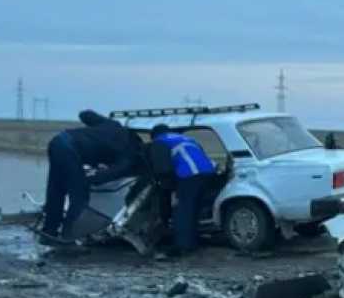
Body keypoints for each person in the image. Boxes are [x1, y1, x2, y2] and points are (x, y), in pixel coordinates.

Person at [40, 110, 141, 244]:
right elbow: (109, 174)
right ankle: (69, 237)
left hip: (58, 141)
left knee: (56, 191)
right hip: (70, 150)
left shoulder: (113, 124)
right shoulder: (128, 155)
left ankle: (48, 232)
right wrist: (88, 180)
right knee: (79, 197)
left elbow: (84, 114)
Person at [150, 124, 216, 257]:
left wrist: (168, 186)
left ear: (154, 136)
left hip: (189, 175)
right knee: (194, 209)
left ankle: (182, 247)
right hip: (209, 173)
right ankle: (193, 242)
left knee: (182, 211)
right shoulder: (187, 139)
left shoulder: (159, 142)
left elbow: (163, 169)